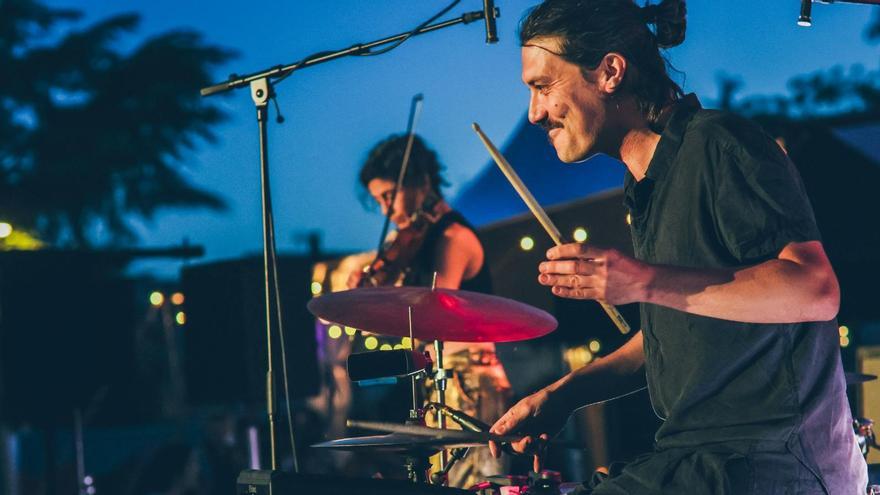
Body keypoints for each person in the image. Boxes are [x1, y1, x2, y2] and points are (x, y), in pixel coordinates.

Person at [487, 0, 868, 493]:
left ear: (610, 72)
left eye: (542, 87)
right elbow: (678, 330)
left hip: (770, 465)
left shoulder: (719, 143)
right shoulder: (646, 184)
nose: (534, 113)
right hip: (704, 463)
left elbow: (816, 291)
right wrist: (563, 395)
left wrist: (641, 280)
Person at [349, 133, 511, 488]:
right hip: (445, 375)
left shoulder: (452, 238)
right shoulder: (418, 241)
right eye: (378, 200)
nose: (385, 211)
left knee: (468, 482)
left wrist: (379, 299)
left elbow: (433, 317)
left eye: (389, 196)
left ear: (421, 184)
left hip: (468, 377)